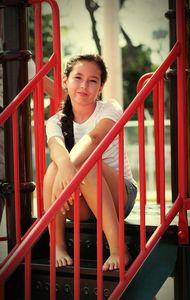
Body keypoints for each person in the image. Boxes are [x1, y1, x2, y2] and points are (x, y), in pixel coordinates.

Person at [43, 53, 137, 271]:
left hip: (119, 196)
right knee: (54, 167)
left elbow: (93, 140)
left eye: (93, 80)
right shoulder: (55, 121)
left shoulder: (109, 109)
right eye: (78, 77)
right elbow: (56, 149)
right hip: (82, 202)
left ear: (101, 86)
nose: (84, 85)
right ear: (65, 82)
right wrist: (63, 172)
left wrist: (62, 180)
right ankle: (56, 245)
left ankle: (118, 249)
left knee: (85, 164)